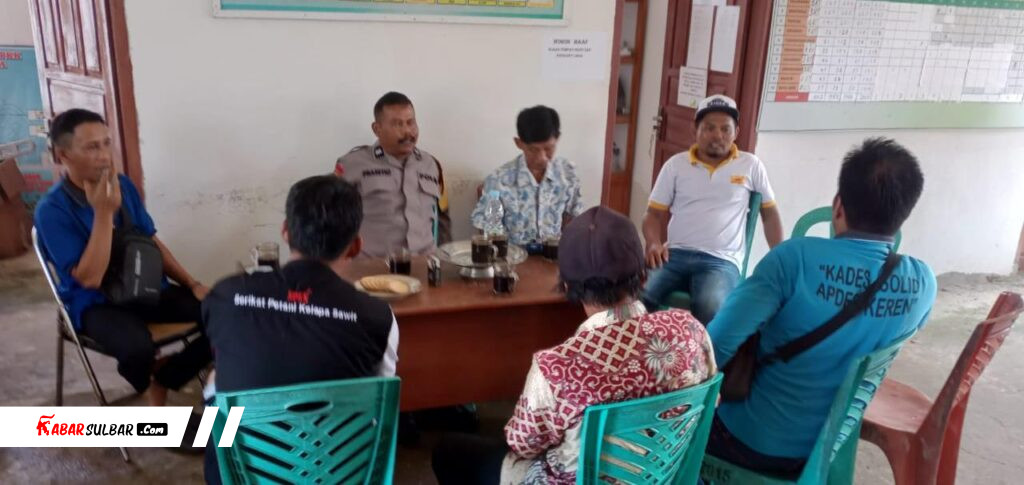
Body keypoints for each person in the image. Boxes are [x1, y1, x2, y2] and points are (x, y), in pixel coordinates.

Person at [432, 207, 716, 485]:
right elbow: (711, 401)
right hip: (669, 474)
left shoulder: (556, 368)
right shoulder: (690, 329)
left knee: (450, 451)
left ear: (567, 287)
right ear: (643, 277)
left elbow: (522, 444)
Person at [705, 138, 936, 477]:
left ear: (837, 206)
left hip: (750, 443)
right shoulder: (923, 283)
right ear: (902, 216)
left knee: (668, 429)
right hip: (829, 447)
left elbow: (713, 347)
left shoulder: (793, 259)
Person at [201, 175, 398, 483]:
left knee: (216, 389)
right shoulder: (378, 316)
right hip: (340, 472)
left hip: (244, 474)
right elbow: (378, 400)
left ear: (285, 232)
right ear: (355, 245)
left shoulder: (226, 295)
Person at [34, 108, 211, 407]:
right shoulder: (51, 210)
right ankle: (148, 374)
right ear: (63, 156)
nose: (104, 155)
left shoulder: (123, 186)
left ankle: (165, 376)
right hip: (97, 303)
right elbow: (89, 279)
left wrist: (192, 283)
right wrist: (103, 212)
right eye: (92, 147)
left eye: (106, 143)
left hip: (146, 287)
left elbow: (150, 241)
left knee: (225, 313)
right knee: (137, 350)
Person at [642, 94, 784, 323]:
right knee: (639, 297)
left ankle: (703, 348)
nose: (718, 135)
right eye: (709, 128)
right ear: (695, 130)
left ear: (736, 133)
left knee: (710, 305)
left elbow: (769, 214)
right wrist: (653, 243)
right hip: (675, 254)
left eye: (725, 129)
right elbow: (653, 214)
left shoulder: (750, 165)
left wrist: (780, 256)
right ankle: (640, 345)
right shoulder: (676, 165)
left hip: (721, 260)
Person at [334, 91, 451, 258]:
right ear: (377, 129)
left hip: (424, 263)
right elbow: (332, 220)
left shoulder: (431, 165)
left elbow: (442, 219)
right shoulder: (352, 164)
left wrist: (444, 261)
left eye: (411, 122)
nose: (408, 131)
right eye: (398, 124)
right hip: (372, 266)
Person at [471, 106, 583, 250]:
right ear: (519, 143)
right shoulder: (498, 181)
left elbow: (573, 220)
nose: (542, 158)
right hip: (514, 257)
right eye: (533, 150)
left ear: (557, 139)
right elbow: (490, 229)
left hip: (556, 256)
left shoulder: (568, 175)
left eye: (548, 148)